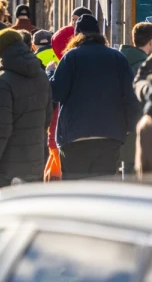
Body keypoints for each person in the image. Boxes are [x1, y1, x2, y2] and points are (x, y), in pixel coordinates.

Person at [50, 14, 142, 179]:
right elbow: (130, 96)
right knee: (102, 192)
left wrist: (50, 74)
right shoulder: (117, 58)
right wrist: (129, 127)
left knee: (77, 192)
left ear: (77, 36)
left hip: (74, 136)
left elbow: (57, 92)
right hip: (109, 136)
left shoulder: (71, 57)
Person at [0, 27, 53, 187]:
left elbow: (0, 128)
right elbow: (47, 118)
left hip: (10, 163)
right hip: (36, 158)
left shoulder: (2, 81)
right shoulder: (41, 75)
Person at [119, 22, 152, 173]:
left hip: (119, 134)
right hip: (141, 135)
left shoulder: (118, 60)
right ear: (150, 42)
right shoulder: (143, 68)